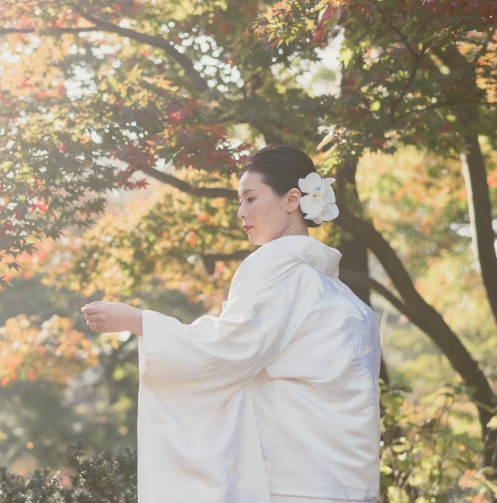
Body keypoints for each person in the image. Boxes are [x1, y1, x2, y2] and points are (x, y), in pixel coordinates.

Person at [81, 145, 381, 502]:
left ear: (292, 199)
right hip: (348, 480)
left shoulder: (273, 266)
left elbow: (231, 347)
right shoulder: (337, 290)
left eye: (251, 198)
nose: (241, 212)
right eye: (240, 201)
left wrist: (139, 321)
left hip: (293, 479)